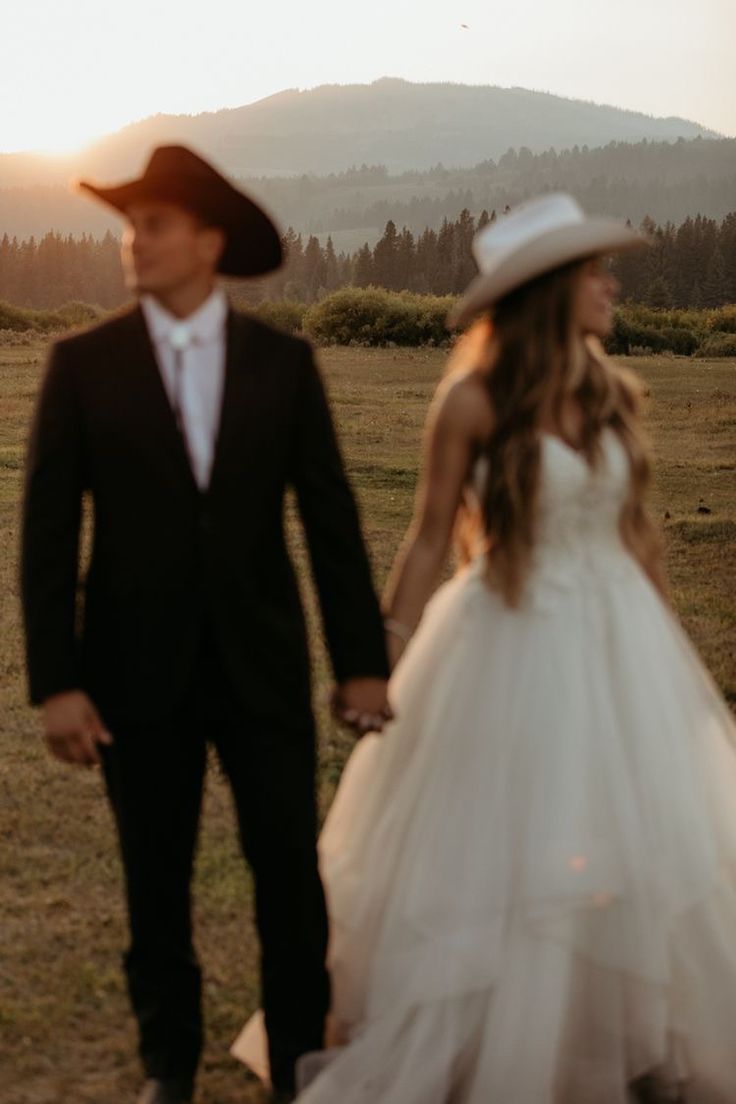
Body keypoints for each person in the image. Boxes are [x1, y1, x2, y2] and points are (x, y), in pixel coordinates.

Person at [237, 193, 736, 1102]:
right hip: (509, 636)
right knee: (511, 835)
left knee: (636, 833)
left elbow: (638, 537)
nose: (612, 284)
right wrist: (382, 653)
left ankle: (616, 1027)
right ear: (552, 289)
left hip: (619, 639)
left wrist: (673, 663)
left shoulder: (611, 393)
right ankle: (504, 1031)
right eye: (595, 272)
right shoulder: (471, 400)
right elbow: (430, 537)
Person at [20, 144, 391, 1104]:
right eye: (129, 226)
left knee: (287, 875)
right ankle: (167, 1069)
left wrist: (360, 663)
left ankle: (302, 1063)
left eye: (154, 224)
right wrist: (56, 682)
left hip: (262, 666)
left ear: (207, 240)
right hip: (130, 671)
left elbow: (332, 518)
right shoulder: (81, 364)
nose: (133, 243)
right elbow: (48, 537)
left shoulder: (285, 364)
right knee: (157, 878)